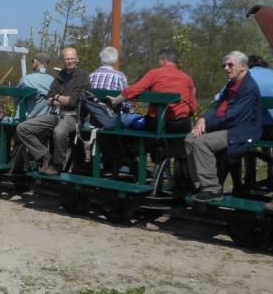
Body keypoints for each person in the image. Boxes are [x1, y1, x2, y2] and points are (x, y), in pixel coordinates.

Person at [186, 51, 262, 202]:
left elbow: (233, 116)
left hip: (241, 131)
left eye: (230, 65)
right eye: (224, 65)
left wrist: (207, 124)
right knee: (190, 138)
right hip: (226, 127)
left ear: (243, 66)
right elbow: (216, 105)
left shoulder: (248, 88)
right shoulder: (231, 85)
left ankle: (212, 189)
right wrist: (202, 119)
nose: (226, 68)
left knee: (201, 141)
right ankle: (200, 181)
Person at [15, 47, 91, 176]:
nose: (70, 61)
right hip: (55, 114)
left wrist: (56, 98)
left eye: (72, 58)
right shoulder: (60, 75)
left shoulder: (83, 77)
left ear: (77, 59)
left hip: (74, 116)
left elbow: (73, 101)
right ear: (63, 60)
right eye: (67, 59)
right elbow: (49, 98)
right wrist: (57, 99)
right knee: (22, 128)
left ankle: (57, 164)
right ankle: (45, 155)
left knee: (59, 131)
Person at [108, 48, 196, 133]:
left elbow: (136, 89)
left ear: (163, 60)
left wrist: (117, 99)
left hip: (157, 124)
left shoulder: (154, 74)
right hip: (181, 126)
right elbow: (192, 107)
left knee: (133, 122)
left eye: (159, 60)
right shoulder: (187, 78)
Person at [17, 52, 54, 119]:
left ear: (36, 62)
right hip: (48, 121)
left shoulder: (26, 79)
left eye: (32, 61)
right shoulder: (53, 81)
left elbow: (16, 96)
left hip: (29, 121)